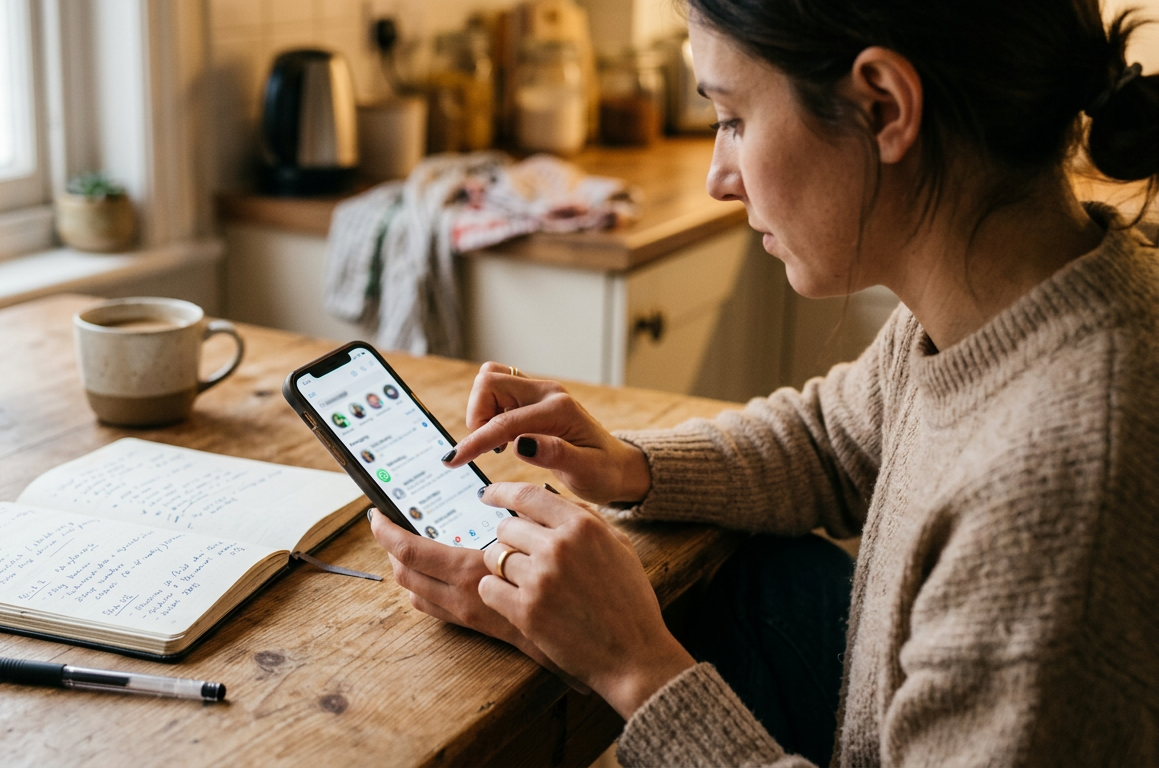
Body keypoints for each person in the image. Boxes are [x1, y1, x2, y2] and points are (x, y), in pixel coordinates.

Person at [369, 0, 1159, 765]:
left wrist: (632, 666)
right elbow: (831, 441)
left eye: (734, 119)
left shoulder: (1061, 485)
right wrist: (628, 463)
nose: (719, 175)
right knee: (744, 580)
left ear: (883, 108)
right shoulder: (1000, 297)